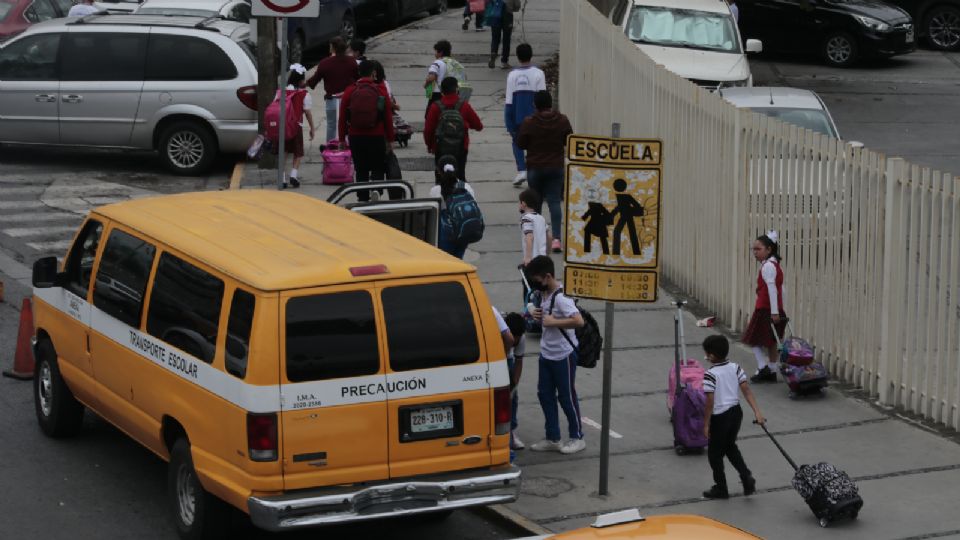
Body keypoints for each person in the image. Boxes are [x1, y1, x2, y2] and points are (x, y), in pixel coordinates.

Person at [526, 255, 586, 455]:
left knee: (567, 397)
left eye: (537, 280)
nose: (536, 285)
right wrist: (534, 313)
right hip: (546, 354)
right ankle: (553, 437)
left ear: (548, 276)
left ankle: (577, 437)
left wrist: (554, 322)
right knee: (544, 395)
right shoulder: (543, 294)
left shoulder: (561, 297)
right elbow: (542, 315)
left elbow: (578, 321)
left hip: (563, 356)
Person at [701, 335, 764, 499]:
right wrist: (757, 412)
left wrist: (706, 424)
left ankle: (721, 488)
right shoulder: (735, 367)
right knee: (730, 446)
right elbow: (746, 390)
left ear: (712, 356)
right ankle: (746, 476)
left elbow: (710, 401)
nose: (706, 356)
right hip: (736, 413)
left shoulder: (710, 374)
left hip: (720, 417)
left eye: (706, 354)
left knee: (714, 455)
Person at [517, 90, 572, 252]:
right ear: (550, 104)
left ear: (535, 104)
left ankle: (538, 236)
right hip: (556, 167)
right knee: (554, 201)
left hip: (535, 167)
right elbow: (569, 138)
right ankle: (556, 239)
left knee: (536, 203)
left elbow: (521, 143)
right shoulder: (562, 120)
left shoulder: (529, 122)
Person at [339, 60, 394, 202]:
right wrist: (390, 138)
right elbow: (388, 116)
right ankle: (376, 190)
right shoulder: (380, 90)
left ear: (359, 73)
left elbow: (342, 117)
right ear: (373, 73)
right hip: (376, 135)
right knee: (377, 165)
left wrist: (341, 138)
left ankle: (362, 197)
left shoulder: (350, 90)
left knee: (361, 168)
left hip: (356, 136)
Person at [742, 231, 786, 383]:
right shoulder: (774, 265)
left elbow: (773, 288)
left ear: (769, 249)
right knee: (772, 341)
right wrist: (779, 309)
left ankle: (763, 367)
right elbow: (781, 289)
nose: (755, 252)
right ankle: (772, 370)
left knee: (752, 338)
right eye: (753, 249)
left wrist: (774, 312)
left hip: (765, 308)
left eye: (758, 249)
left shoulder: (768, 266)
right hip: (774, 308)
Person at [423, 77, 484, 181]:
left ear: (442, 91)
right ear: (457, 89)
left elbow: (428, 130)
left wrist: (430, 146)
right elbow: (478, 126)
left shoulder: (435, 107)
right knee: (460, 176)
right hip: (460, 147)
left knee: (440, 177)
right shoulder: (464, 106)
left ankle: (442, 194)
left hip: (440, 147)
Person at [505, 44, 546, 187]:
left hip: (518, 117)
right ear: (531, 54)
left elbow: (509, 101)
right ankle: (534, 172)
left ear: (517, 56)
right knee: (535, 145)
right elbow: (543, 98)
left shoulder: (512, 75)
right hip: (535, 118)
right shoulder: (538, 74)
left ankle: (522, 170)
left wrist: (508, 122)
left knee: (517, 143)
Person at [307, 37, 359, 143]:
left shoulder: (325, 63)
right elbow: (358, 79)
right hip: (348, 99)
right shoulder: (352, 62)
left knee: (331, 125)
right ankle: (347, 145)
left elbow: (314, 80)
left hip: (332, 99)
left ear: (333, 48)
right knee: (347, 123)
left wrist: (303, 84)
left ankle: (330, 147)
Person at [271, 64, 315, 189]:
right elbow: (307, 113)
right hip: (296, 127)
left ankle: (283, 178)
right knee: (298, 152)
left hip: (282, 127)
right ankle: (293, 175)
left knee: (283, 152)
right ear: (301, 81)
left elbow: (275, 108)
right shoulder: (304, 94)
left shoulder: (280, 92)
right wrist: (312, 128)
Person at [434, 160, 477, 258]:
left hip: (445, 233)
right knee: (458, 258)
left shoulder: (436, 190)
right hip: (463, 231)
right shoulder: (467, 187)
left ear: (439, 171)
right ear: (456, 170)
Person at [519, 188, 548, 303]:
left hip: (533, 261)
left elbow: (529, 237)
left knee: (529, 291)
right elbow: (549, 236)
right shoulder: (541, 218)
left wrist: (527, 257)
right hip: (543, 259)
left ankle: (529, 315)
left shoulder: (526, 218)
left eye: (519, 202)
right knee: (542, 290)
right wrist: (547, 253)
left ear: (524, 204)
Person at [504, 312, 527, 451]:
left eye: (516, 341)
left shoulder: (521, 338)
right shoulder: (497, 330)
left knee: (513, 397)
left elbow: (519, 362)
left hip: (509, 359)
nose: (515, 342)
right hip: (494, 356)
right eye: (513, 340)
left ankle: (511, 431)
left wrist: (514, 386)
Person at [486, 0, 521, 69]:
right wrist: (513, 9)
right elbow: (517, 5)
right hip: (507, 14)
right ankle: (504, 62)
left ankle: (493, 52)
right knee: (506, 39)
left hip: (495, 14)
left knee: (495, 37)